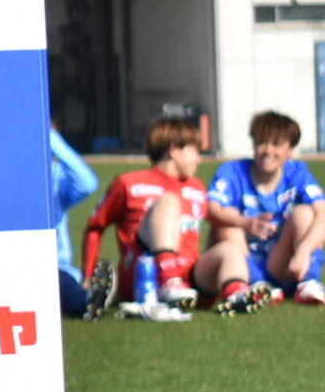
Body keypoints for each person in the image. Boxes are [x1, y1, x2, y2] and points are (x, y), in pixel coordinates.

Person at [79, 115, 208, 322]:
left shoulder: (197, 187)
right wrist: (87, 277)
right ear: (174, 150)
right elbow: (95, 226)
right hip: (143, 279)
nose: (199, 159)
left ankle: (235, 291)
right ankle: (169, 280)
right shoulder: (129, 183)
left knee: (229, 247)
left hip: (190, 282)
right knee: (169, 202)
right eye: (195, 151)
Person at [206, 110, 324, 305]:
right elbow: (211, 209)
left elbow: (322, 212)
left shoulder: (297, 172)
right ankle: (255, 285)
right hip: (241, 262)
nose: (267, 150)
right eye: (261, 142)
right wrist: (244, 222)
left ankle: (308, 282)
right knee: (227, 217)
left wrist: (303, 251)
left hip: (281, 262)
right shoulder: (233, 171)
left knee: (304, 213)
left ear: (290, 150)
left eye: (276, 144)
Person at [48, 128, 101, 317]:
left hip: (56, 267)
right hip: (15, 265)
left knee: (62, 284)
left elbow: (87, 184)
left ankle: (88, 302)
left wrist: (47, 135)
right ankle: (88, 300)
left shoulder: (52, 174)